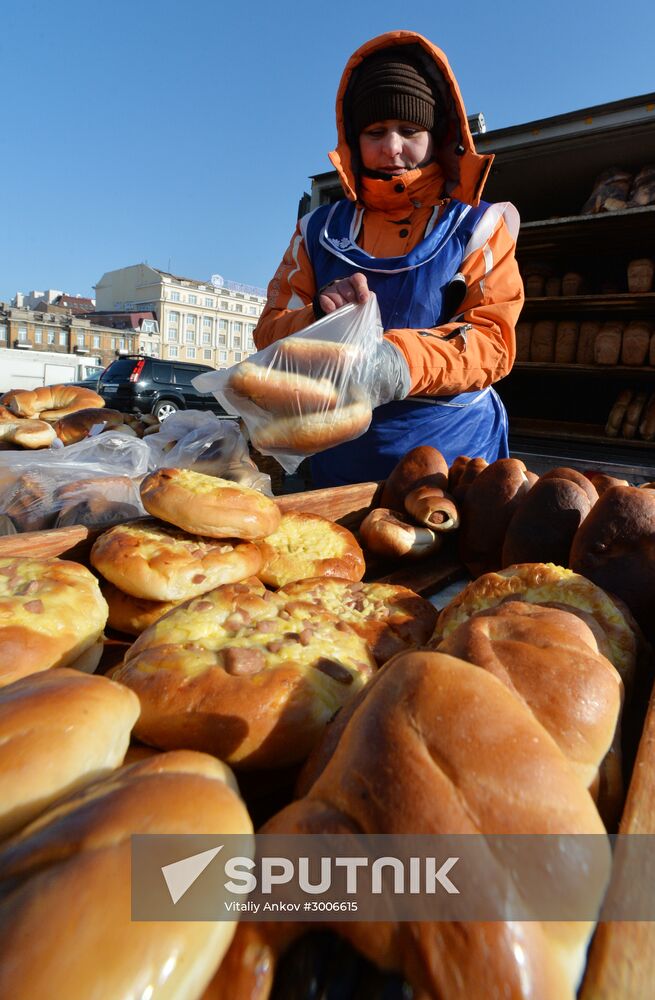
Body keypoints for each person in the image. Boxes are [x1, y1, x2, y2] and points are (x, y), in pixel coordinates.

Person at [253, 29, 524, 488]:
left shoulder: (477, 226)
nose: (392, 148)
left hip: (452, 463)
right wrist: (320, 317)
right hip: (341, 456)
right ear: (353, 140)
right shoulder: (318, 231)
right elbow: (269, 334)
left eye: (410, 131)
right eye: (375, 132)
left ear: (436, 136)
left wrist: (399, 362)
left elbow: (493, 341)